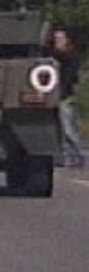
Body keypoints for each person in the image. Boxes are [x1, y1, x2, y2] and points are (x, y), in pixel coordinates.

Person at [50, 30, 84, 168]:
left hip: (65, 96)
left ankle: (78, 156)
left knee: (68, 128)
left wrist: (62, 93)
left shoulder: (70, 57)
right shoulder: (51, 56)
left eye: (60, 38)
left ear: (66, 40)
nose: (58, 41)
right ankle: (64, 157)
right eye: (56, 39)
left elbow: (70, 76)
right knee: (58, 128)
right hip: (53, 96)